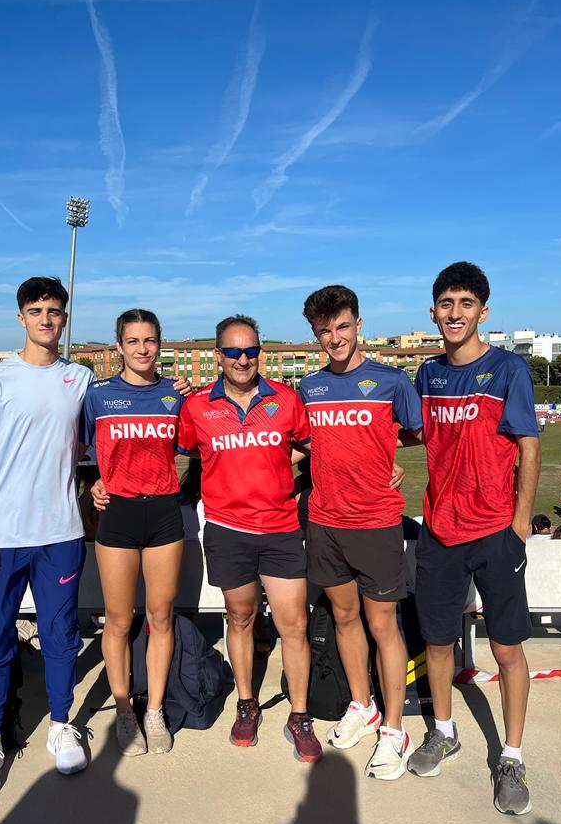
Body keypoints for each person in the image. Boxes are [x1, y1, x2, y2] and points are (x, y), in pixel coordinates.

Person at [402, 262, 541, 817]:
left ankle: (511, 756)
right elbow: (416, 434)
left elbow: (528, 447)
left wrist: (520, 522)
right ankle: (444, 731)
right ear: (433, 312)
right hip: (439, 531)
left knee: (506, 649)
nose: (454, 313)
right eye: (446, 304)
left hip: (495, 531)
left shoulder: (508, 369)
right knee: (438, 643)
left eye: (465, 304)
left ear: (483, 311)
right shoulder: (429, 374)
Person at [0, 276, 96, 796]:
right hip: (1, 534)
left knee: (61, 635)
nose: (45, 319)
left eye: (54, 311)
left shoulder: (80, 379)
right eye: (35, 311)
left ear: (64, 318)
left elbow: (91, 447)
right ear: (21, 318)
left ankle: (61, 724)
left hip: (60, 532)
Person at [176, 315, 324, 762]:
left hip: (280, 529)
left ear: (260, 352)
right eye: (233, 351)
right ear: (218, 355)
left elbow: (312, 447)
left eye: (251, 350)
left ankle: (300, 715)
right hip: (227, 530)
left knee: (294, 624)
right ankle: (247, 703)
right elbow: (180, 451)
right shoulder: (196, 405)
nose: (243, 359)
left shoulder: (286, 399)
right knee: (240, 618)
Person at [299, 285, 423, 781]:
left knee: (382, 626)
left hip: (375, 522)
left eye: (343, 327)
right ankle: (362, 705)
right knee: (345, 618)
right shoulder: (309, 387)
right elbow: (302, 444)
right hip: (325, 521)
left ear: (359, 325)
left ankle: (394, 729)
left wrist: (389, 458)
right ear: (315, 334)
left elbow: (418, 432)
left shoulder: (392, 381)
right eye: (324, 331)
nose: (335, 338)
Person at [82, 309, 186, 758]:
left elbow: (193, 448)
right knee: (119, 619)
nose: (142, 349)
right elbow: (83, 452)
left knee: (161, 617)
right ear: (118, 346)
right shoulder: (98, 395)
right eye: (133, 341)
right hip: (118, 514)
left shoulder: (175, 394)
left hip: (163, 513)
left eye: (150, 341)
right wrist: (94, 483)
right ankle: (124, 710)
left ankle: (155, 710)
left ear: (160, 344)